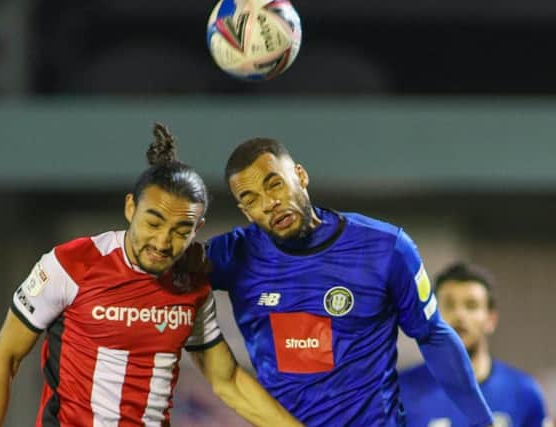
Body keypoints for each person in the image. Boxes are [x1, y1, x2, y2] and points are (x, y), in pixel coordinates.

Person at [0, 125, 302, 427]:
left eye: (180, 230)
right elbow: (5, 356)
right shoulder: (70, 264)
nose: (162, 242)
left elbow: (227, 380)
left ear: (196, 230)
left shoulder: (192, 286)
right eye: (153, 222)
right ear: (131, 208)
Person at [204, 137, 495, 426]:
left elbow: (432, 335)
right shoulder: (233, 256)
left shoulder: (386, 247)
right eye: (251, 200)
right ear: (245, 212)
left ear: (300, 176)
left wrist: (483, 422)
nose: (269, 204)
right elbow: (165, 270)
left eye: (274, 184)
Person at [400, 262, 551, 427]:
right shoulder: (401, 391)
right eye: (449, 305)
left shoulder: (523, 392)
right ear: (433, 316)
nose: (459, 315)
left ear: (491, 319)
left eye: (471, 306)